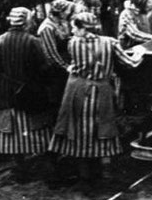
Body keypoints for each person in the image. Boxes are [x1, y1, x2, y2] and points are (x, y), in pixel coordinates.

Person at [49, 12, 144, 187]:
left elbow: (75, 63)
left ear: (81, 27)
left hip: (76, 90)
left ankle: (84, 175)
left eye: (74, 27)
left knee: (79, 130)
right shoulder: (110, 43)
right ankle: (103, 171)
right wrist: (139, 53)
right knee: (102, 129)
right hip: (101, 91)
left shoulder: (73, 44)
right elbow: (131, 64)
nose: (72, 30)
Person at [0, 7, 53, 182]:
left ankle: (21, 167)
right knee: (37, 130)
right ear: (27, 21)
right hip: (30, 94)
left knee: (12, 133)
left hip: (7, 95)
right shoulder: (33, 41)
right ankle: (43, 167)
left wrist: (3, 86)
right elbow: (44, 68)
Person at [37, 0, 75, 117]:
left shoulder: (61, 23)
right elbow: (51, 54)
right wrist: (66, 68)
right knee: (57, 99)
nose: (69, 13)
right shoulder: (47, 28)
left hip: (64, 65)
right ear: (60, 12)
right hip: (55, 70)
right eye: (67, 11)